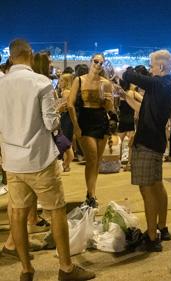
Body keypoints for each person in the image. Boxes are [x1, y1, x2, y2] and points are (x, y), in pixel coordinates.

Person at [0, 39, 95, 281]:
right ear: (29, 55)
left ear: (11, 57)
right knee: (56, 212)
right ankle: (65, 268)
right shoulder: (40, 82)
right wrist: (58, 109)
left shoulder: (1, 84)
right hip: (39, 159)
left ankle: (26, 270)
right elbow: (51, 123)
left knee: (18, 215)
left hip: (13, 161)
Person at [122, 50, 171, 252]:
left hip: (147, 143)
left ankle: (152, 237)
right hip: (156, 142)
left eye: (152, 65)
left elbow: (131, 76)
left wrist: (124, 72)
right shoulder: (166, 88)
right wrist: (123, 95)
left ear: (161, 67)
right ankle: (162, 227)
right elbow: (143, 108)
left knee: (147, 191)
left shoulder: (160, 84)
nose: (150, 69)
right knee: (156, 186)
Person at [68, 53, 114, 208]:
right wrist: (76, 126)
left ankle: (91, 193)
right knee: (92, 159)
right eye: (96, 61)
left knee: (97, 161)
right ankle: (91, 194)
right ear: (90, 62)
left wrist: (108, 100)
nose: (98, 65)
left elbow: (110, 108)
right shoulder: (79, 80)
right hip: (85, 121)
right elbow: (70, 104)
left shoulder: (106, 83)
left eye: (102, 63)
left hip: (101, 119)